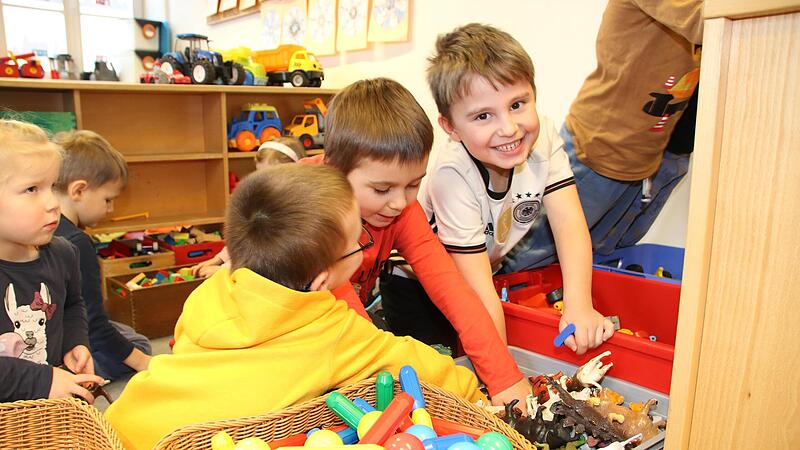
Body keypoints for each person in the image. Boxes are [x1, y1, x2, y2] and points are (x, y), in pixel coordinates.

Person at [104, 164, 483, 450]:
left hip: (124, 421)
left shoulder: (211, 290)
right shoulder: (332, 328)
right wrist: (475, 394)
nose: (363, 246)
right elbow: (417, 364)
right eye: (357, 242)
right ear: (321, 281)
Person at [303, 78, 531, 411]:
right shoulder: (309, 209)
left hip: (349, 332)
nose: (399, 202)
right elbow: (355, 329)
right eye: (382, 190)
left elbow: (454, 292)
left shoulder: (404, 212)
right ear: (334, 171)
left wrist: (505, 379)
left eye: (413, 184)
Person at [416, 24, 614, 355]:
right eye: (483, 116)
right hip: (419, 288)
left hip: (483, 270)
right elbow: (478, 297)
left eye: (518, 104)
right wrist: (506, 374)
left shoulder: (544, 136)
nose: (509, 129)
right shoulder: (452, 175)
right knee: (451, 368)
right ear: (451, 127)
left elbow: (568, 222)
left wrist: (579, 306)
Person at [503, 0, 703, 271]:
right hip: (603, 149)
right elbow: (708, 19)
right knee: (531, 260)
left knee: (603, 264)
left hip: (655, 151)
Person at [0, 119, 104, 402]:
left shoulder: (63, 253)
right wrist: (44, 380)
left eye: (52, 186)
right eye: (32, 189)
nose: (53, 203)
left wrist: (75, 342)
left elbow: (72, 304)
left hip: (47, 413)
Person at [52, 130, 153, 381]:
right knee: (139, 344)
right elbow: (94, 325)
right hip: (65, 340)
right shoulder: (76, 242)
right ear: (78, 190)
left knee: (123, 333)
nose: (110, 209)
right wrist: (143, 362)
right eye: (108, 200)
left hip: (46, 329)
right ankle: (67, 374)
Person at [191, 136, 306, 278]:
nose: (264, 182)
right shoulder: (265, 198)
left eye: (271, 176)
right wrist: (218, 259)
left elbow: (268, 255)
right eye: (260, 175)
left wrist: (227, 269)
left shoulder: (295, 210)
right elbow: (244, 239)